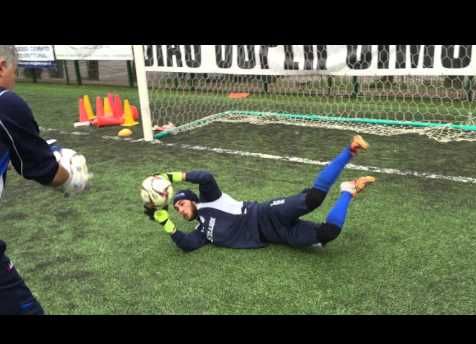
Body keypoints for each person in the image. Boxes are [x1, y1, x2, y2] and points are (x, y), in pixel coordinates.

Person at [144, 134, 376, 252]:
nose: (180, 210)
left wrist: (170, 176)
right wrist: (166, 224)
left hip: (266, 214)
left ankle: (351, 149)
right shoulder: (201, 231)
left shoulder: (210, 199)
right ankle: (347, 190)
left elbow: (206, 177)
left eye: (181, 204)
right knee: (328, 234)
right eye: (176, 209)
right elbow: (187, 245)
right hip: (275, 237)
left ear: (192, 199)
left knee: (314, 199)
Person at [0, 46, 91, 315]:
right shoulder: (5, 102)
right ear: (2, 66)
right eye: (15, 72)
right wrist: (74, 176)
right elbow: (46, 172)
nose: (14, 80)